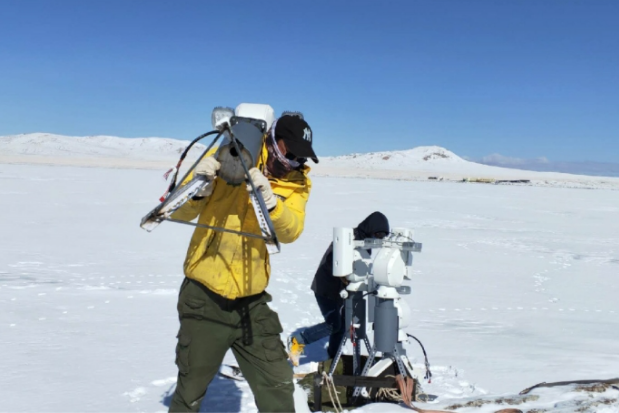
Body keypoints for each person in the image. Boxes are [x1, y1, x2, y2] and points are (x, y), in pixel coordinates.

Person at [168, 114, 318, 412]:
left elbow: (291, 231)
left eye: (301, 158)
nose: (295, 163)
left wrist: (272, 203)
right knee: (191, 388)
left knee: (278, 381)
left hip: (252, 302)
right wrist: (198, 189)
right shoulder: (229, 157)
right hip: (205, 298)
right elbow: (177, 211)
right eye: (290, 154)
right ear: (273, 142)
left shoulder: (297, 182)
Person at [288, 212, 390, 365]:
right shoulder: (347, 238)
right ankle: (298, 340)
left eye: (382, 236)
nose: (379, 239)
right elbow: (333, 262)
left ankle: (333, 356)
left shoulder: (366, 244)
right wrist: (345, 278)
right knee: (333, 324)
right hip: (326, 288)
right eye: (378, 234)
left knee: (342, 325)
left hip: (343, 291)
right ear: (371, 228)